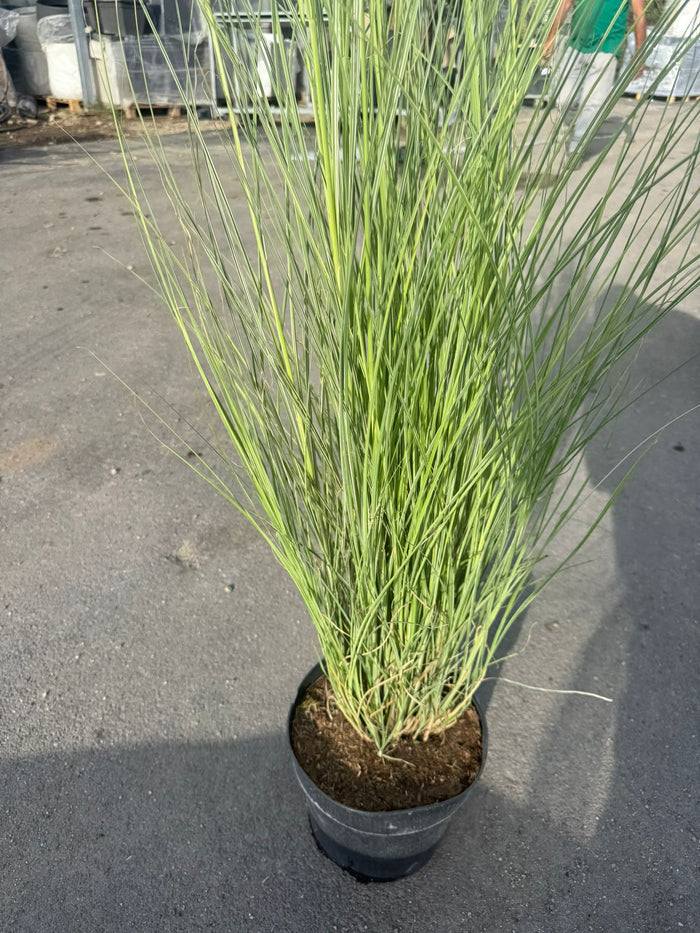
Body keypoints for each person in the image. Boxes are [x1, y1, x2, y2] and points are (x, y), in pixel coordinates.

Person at [544, 0, 647, 153]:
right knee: (564, 100)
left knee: (593, 102)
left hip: (607, 47)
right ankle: (572, 125)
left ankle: (576, 149)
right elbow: (565, 4)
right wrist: (550, 38)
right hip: (576, 43)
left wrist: (639, 55)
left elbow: (639, 14)